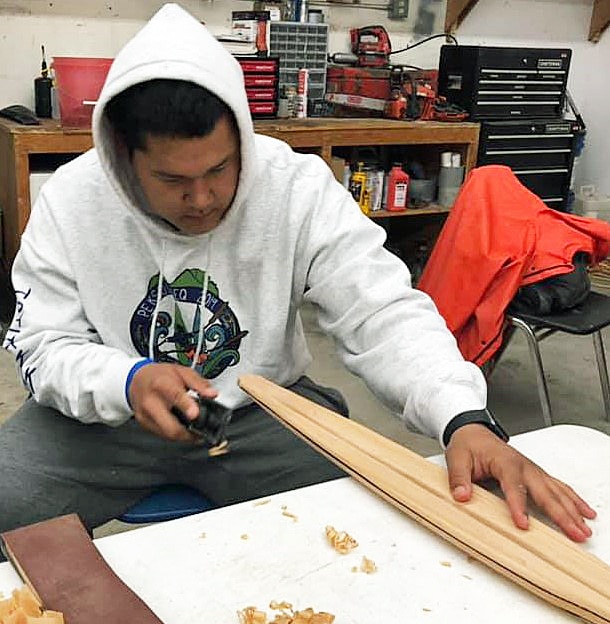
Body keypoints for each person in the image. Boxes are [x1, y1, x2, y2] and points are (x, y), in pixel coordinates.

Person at [0, 3, 595, 547]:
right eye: (173, 181)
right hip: (110, 417)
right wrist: (126, 380)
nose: (203, 198)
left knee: (379, 520)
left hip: (264, 413)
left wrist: (463, 417)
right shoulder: (73, 200)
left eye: (220, 168)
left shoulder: (296, 187)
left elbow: (381, 310)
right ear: (122, 155)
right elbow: (41, 346)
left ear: (241, 136)